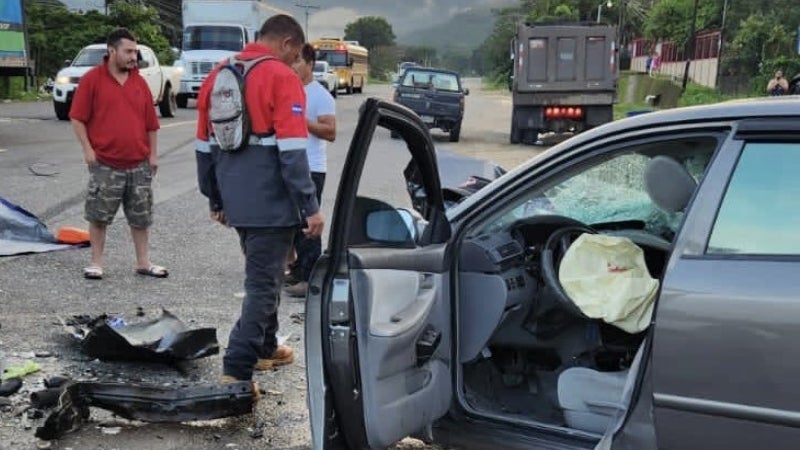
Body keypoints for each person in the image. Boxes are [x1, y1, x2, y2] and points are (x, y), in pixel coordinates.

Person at [194, 14, 324, 385]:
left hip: (235, 200)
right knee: (263, 287)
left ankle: (267, 346)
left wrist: (215, 200)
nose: (294, 63)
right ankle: (236, 369)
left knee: (266, 274)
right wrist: (309, 207)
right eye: (295, 55)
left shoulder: (219, 74)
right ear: (286, 43)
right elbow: (293, 153)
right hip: (272, 204)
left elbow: (204, 148)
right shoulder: (282, 78)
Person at [69, 28, 167, 280]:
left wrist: (153, 156)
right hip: (105, 163)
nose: (134, 57)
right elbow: (77, 118)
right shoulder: (92, 80)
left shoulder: (139, 82)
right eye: (129, 51)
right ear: (112, 51)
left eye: (135, 51)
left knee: (141, 217)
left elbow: (151, 124)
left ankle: (143, 263)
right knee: (99, 215)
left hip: (139, 163)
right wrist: (88, 150)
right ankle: (96, 263)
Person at [284, 43, 336, 298]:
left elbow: (330, 131)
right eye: (291, 61)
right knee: (291, 221)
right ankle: (296, 269)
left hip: (312, 167)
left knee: (308, 222)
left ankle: (310, 277)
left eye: (298, 62)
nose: (293, 66)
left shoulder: (320, 95)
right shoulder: (288, 90)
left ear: (310, 64)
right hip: (289, 165)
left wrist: (302, 122)